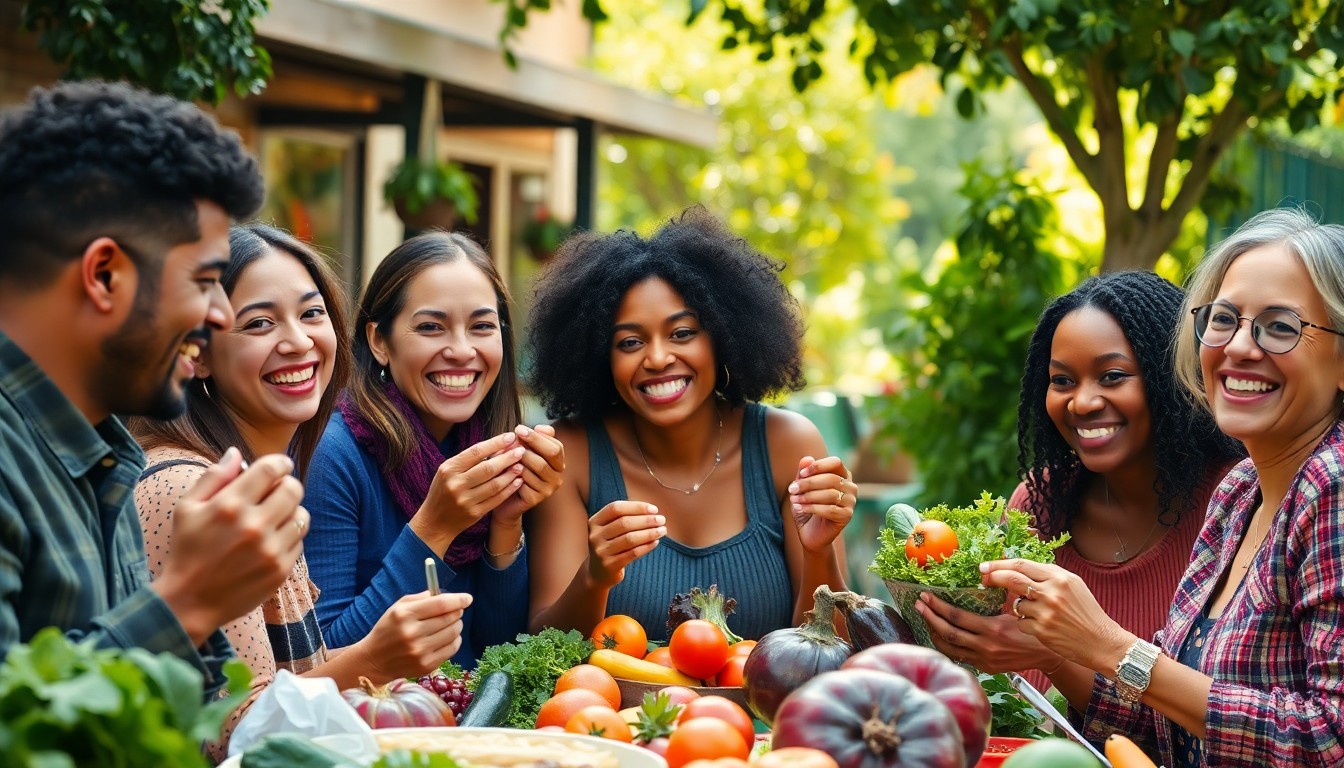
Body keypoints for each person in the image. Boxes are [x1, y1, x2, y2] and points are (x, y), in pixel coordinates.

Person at [983, 207, 1344, 766]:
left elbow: (1330, 737)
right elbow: (1174, 723)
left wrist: (1111, 644)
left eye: (1280, 326)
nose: (1240, 347)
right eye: (1223, 319)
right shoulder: (1242, 491)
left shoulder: (1333, 487)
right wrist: (1065, 650)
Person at [0, 81, 306, 698]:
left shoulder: (102, 454)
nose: (220, 315)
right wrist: (188, 600)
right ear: (104, 274)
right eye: (207, 280)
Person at [131, 224, 472, 758]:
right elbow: (236, 733)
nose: (298, 341)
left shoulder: (264, 479)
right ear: (196, 352)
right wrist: (374, 660)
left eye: (311, 313)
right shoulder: (192, 490)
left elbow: (292, 679)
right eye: (260, 323)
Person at [524, 207, 855, 642]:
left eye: (682, 333)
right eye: (630, 342)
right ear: (601, 358)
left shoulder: (787, 445)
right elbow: (539, 646)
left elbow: (835, 648)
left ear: (723, 336)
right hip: (609, 712)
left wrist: (819, 551)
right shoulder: (574, 454)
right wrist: (595, 576)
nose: (658, 358)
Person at [916, 272, 1242, 691]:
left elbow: (1220, 722)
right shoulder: (1038, 505)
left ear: (1168, 375)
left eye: (1112, 376)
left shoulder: (1237, 504)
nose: (1083, 402)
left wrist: (1057, 658)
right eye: (1063, 381)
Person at [304, 231, 564, 667]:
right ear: (379, 342)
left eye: (482, 326)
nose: (462, 351)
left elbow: (496, 653)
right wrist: (434, 527)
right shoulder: (334, 455)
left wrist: (506, 522)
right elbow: (324, 658)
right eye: (430, 327)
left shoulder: (493, 447)